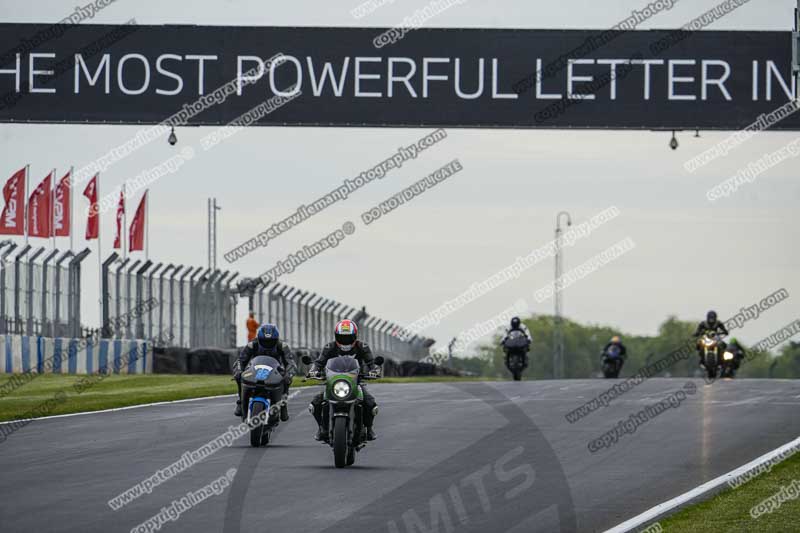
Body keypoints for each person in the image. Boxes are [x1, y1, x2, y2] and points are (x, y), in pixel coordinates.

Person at [308, 319, 379, 442]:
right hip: (333, 382)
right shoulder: (330, 347)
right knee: (316, 403)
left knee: (370, 402)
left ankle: (369, 428)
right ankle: (321, 428)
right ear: (336, 336)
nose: (345, 340)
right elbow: (319, 362)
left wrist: (374, 370)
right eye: (342, 337)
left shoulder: (362, 346)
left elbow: (372, 363)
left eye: (348, 337)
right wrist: (313, 370)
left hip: (355, 382)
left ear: (355, 336)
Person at [233, 323, 296, 419]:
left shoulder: (282, 346)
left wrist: (289, 374)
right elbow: (240, 360)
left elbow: (290, 362)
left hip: (275, 370)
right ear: (259, 339)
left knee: (286, 380)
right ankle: (240, 402)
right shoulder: (252, 345)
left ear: (276, 340)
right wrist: (238, 370)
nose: (267, 344)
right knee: (239, 376)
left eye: (271, 342)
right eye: (264, 341)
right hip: (255, 369)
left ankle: (283, 405)